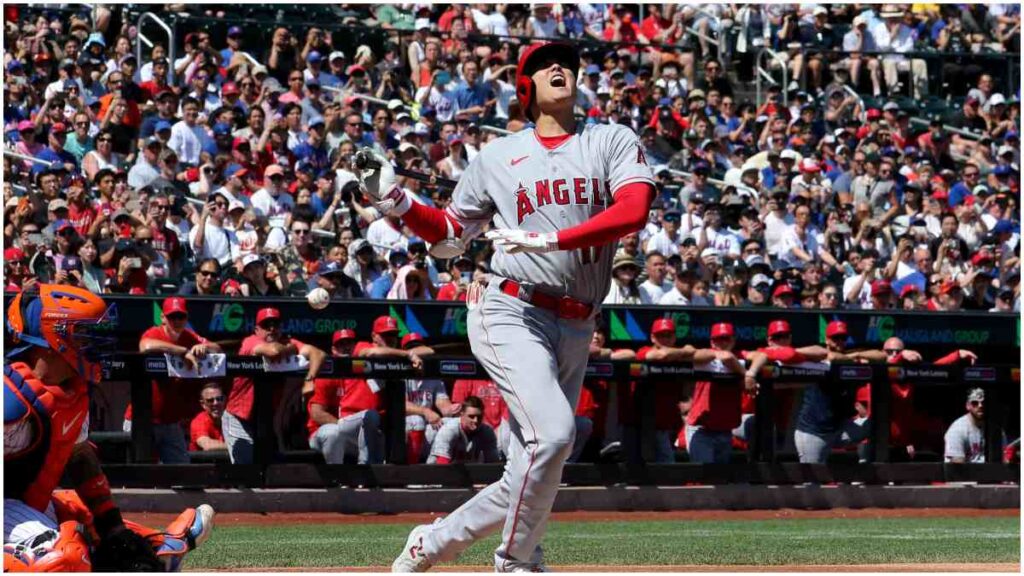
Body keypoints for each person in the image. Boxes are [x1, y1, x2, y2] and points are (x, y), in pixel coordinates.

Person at [369, 41, 655, 572]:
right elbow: (452, 235)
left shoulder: (610, 139)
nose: (559, 69)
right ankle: (518, 562)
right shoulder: (497, 158)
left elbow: (634, 210)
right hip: (510, 308)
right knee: (554, 437)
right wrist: (397, 203)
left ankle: (429, 545)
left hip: (576, 322)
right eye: (545, 65)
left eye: (566, 64)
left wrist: (555, 240)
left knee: (531, 468)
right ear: (524, 88)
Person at [4, 285, 214, 572]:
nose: (95, 344)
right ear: (51, 338)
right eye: (83, 335)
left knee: (95, 524)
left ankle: (156, 548)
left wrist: (113, 527)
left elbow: (80, 459)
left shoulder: (72, 391)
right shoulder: (10, 398)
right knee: (68, 556)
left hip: (31, 504)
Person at [127, 296, 223, 463]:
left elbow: (218, 348)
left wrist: (204, 347)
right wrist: (182, 351)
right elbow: (146, 346)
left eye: (181, 316)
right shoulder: (154, 332)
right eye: (172, 316)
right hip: (142, 419)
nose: (177, 321)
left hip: (171, 422)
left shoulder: (189, 336)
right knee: (143, 477)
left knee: (184, 475)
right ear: (163, 318)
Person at [225, 307, 325, 464]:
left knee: (268, 467)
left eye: (276, 325)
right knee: (244, 468)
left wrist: (309, 379)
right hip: (239, 416)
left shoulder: (286, 342)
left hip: (265, 418)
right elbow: (273, 352)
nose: (272, 329)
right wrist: (291, 348)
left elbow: (318, 354)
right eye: (266, 325)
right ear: (257, 329)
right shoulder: (250, 341)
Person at [685, 323, 760, 463]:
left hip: (724, 430)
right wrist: (745, 374)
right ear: (712, 341)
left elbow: (761, 355)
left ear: (733, 340)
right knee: (705, 478)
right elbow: (726, 357)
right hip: (701, 429)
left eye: (727, 339)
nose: (723, 342)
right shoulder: (706, 355)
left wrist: (751, 374)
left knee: (720, 480)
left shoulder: (739, 356)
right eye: (719, 339)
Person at [307, 329, 384, 465]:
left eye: (349, 343)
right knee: (334, 433)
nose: (346, 347)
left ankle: (366, 472)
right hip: (321, 432)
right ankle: (336, 477)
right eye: (341, 344)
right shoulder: (328, 370)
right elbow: (316, 413)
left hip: (352, 437)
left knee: (372, 423)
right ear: (334, 350)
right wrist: (344, 427)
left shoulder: (362, 369)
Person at [402, 333, 455, 463]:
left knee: (449, 423)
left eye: (420, 349)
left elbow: (443, 404)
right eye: (414, 350)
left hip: (426, 429)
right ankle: (411, 471)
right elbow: (399, 405)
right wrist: (425, 411)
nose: (419, 355)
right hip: (403, 431)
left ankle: (432, 471)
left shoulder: (432, 377)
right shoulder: (400, 374)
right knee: (416, 420)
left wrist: (453, 409)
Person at [427, 396, 501, 464]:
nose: (476, 420)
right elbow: (442, 463)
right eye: (471, 416)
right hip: (435, 473)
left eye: (479, 417)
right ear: (462, 414)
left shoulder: (487, 432)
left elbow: (493, 463)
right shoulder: (449, 429)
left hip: (468, 473)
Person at [944, 388, 988, 463]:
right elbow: (957, 464)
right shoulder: (957, 429)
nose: (980, 405)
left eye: (983, 402)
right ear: (968, 406)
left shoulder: (995, 429)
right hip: (964, 473)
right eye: (975, 403)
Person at [190, 382, 227, 452]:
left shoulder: (233, 419)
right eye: (210, 400)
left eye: (219, 399)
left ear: (224, 400)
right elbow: (207, 445)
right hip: (203, 462)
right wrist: (237, 446)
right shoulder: (199, 421)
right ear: (203, 404)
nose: (216, 403)